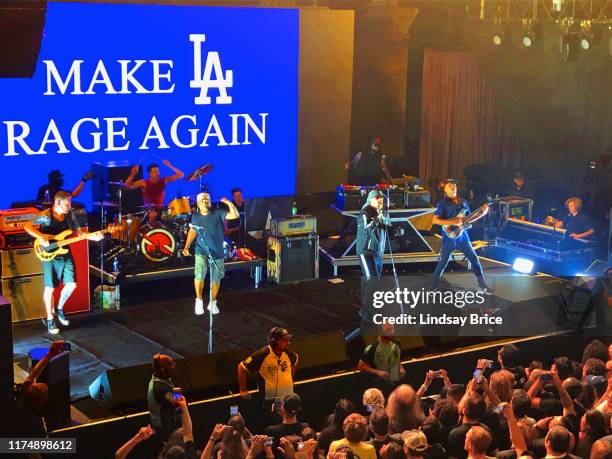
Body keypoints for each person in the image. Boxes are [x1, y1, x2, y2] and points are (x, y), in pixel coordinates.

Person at [24, 191, 103, 334]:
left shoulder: (69, 214)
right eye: (68, 203)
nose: (70, 205)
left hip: (65, 251)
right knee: (50, 288)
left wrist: (93, 237)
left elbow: (79, 233)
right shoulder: (46, 216)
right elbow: (27, 226)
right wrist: (41, 236)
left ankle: (59, 308)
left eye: (70, 203)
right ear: (58, 203)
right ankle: (50, 318)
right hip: (49, 255)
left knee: (72, 284)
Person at [430, 179, 493, 294]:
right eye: (450, 185)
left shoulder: (463, 202)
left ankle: (482, 285)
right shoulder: (443, 203)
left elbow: (469, 219)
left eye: (454, 184)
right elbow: (435, 220)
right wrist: (452, 221)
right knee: (442, 264)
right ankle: (432, 289)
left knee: (474, 259)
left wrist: (482, 213)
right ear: (445, 190)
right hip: (449, 238)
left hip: (463, 237)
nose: (453, 186)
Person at [182, 192, 238, 315]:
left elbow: (234, 215)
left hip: (217, 251)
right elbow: (192, 231)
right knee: (199, 275)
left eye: (207, 200)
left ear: (210, 201)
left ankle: (212, 303)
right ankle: (199, 301)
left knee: (216, 278)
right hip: (201, 250)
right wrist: (186, 247)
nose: (204, 202)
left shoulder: (218, 213)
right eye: (202, 200)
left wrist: (228, 202)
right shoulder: (195, 216)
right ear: (198, 203)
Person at [238, 327, 299, 416]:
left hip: (288, 398)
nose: (288, 343)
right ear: (274, 341)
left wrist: (289, 378)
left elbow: (296, 360)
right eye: (285, 340)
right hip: (269, 400)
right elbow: (241, 367)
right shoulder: (263, 354)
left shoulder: (288, 354)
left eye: (288, 340)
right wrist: (243, 390)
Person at [358, 323, 406, 388]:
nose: (392, 332)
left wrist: (400, 367)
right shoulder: (373, 347)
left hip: (395, 381)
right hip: (380, 383)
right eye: (388, 330)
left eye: (392, 328)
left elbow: (397, 359)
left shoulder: (397, 343)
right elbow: (361, 366)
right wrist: (378, 372)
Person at [147, 353, 180, 442]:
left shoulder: (159, 377)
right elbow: (178, 402)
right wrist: (178, 393)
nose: (174, 366)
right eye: (171, 365)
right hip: (166, 428)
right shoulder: (161, 389)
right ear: (163, 370)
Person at [265, 392, 309, 458]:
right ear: (299, 408)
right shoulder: (306, 428)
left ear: (282, 407)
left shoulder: (270, 431)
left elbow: (268, 450)